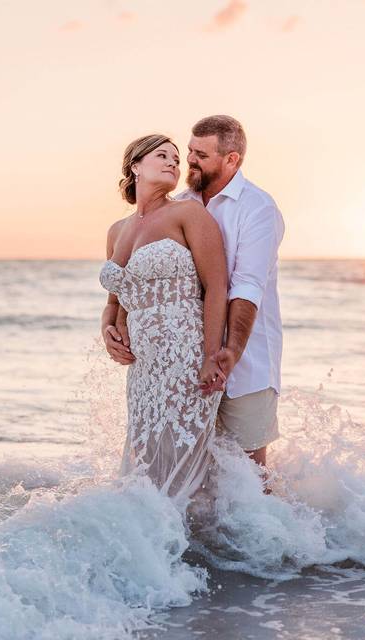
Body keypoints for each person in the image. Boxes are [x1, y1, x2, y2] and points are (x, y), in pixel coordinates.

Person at [105, 115, 285, 479]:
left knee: (249, 474)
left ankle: (270, 536)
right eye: (186, 151)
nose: (185, 160)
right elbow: (128, 290)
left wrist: (226, 351)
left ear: (231, 159)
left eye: (198, 154)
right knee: (181, 470)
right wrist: (111, 326)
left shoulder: (257, 208)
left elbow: (243, 287)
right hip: (165, 367)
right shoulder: (179, 202)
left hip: (243, 357)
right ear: (135, 167)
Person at [99, 134, 228, 506]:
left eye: (176, 158)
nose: (174, 162)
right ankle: (150, 539)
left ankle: (184, 547)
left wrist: (210, 356)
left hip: (185, 356)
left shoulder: (187, 214)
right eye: (163, 155)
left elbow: (216, 286)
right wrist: (107, 330)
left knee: (178, 457)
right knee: (146, 454)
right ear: (135, 166)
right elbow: (114, 300)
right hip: (143, 368)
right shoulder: (116, 231)